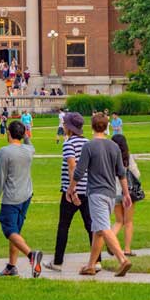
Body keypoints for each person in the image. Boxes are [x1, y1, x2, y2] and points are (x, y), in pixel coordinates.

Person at [67, 113, 132, 277]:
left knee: (103, 227)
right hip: (111, 193)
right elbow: (121, 173)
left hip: (96, 193)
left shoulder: (89, 146)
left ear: (92, 126)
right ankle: (91, 265)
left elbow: (79, 171)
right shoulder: (114, 146)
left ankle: (122, 259)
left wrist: (71, 188)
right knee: (97, 230)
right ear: (106, 126)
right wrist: (126, 193)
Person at [44, 113, 100, 273]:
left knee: (64, 226)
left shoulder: (69, 144)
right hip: (88, 190)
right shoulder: (88, 143)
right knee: (91, 225)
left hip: (72, 191)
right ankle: (97, 260)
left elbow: (72, 166)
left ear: (69, 127)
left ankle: (58, 261)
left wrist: (72, 189)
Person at [0, 120, 42, 278]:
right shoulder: (28, 150)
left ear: (9, 133)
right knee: (16, 231)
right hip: (26, 195)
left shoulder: (5, 152)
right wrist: (26, 136)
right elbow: (30, 144)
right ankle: (12, 266)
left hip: (12, 197)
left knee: (9, 230)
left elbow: (0, 178)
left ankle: (31, 255)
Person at [111, 134, 140, 257]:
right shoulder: (127, 157)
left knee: (118, 221)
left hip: (113, 192)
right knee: (128, 222)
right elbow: (136, 174)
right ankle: (127, 249)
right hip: (127, 192)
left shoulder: (109, 157)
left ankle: (110, 241)